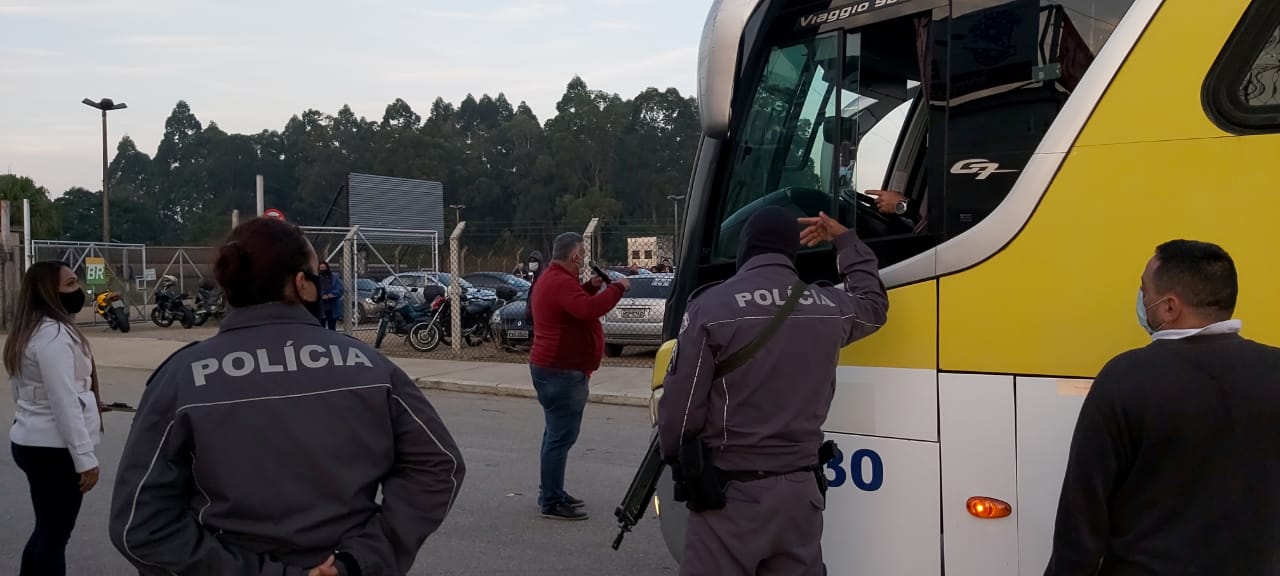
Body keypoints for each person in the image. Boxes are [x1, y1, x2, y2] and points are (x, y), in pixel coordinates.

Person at [108, 218, 466, 576]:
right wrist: (361, 560)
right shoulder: (370, 365)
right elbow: (439, 467)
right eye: (317, 276)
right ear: (300, 285)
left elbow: (139, 525)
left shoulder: (183, 376)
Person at [657, 207, 889, 576]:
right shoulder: (828, 307)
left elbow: (681, 416)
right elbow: (874, 306)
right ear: (790, 251)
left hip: (730, 496)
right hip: (801, 497)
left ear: (746, 246)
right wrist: (844, 239)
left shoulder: (711, 309)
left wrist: (679, 462)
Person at [1045, 240, 1280, 575]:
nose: (1141, 300)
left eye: (1144, 289)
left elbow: (1082, 518)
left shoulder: (1125, 377)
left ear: (1169, 307)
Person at [3, 261, 102, 576]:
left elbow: (26, 393)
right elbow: (62, 401)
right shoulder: (54, 335)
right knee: (54, 537)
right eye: (71, 284)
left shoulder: (28, 331)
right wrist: (85, 459)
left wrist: (91, 401)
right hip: (54, 450)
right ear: (49, 292)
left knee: (46, 531)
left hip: (30, 440)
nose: (79, 290)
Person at [527, 232, 630, 520]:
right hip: (561, 373)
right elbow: (586, 310)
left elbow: (573, 306)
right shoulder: (559, 281)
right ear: (574, 256)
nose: (584, 258)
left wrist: (590, 286)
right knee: (560, 438)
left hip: (555, 370)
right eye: (582, 254)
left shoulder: (555, 278)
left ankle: (552, 491)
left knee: (555, 436)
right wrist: (617, 288)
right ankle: (550, 500)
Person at [317, 260, 344, 331]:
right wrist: (322, 295)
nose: (323, 270)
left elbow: (340, 289)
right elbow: (313, 290)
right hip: (321, 306)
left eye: (324, 268)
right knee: (321, 327)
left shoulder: (334, 278)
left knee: (332, 327)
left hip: (332, 306)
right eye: (321, 269)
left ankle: (332, 341)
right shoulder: (316, 278)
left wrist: (332, 294)